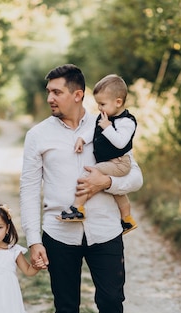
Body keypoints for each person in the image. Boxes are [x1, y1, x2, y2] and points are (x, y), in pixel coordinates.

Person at [19, 64, 143, 313]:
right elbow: (29, 190)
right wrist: (33, 240)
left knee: (111, 302)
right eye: (48, 92)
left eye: (56, 92)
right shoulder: (38, 135)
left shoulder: (108, 124)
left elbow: (135, 176)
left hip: (104, 230)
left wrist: (107, 182)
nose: (50, 98)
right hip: (59, 232)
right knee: (66, 306)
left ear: (78, 94)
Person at [57, 74, 138, 234]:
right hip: (113, 162)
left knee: (89, 174)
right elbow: (94, 131)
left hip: (120, 162)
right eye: (98, 104)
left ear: (118, 102)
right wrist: (82, 139)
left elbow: (121, 142)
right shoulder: (105, 117)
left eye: (102, 104)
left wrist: (108, 127)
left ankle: (77, 208)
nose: (99, 108)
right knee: (117, 192)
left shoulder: (126, 122)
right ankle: (127, 219)